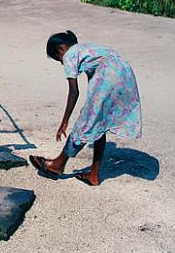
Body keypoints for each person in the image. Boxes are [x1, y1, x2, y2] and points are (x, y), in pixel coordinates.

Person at [29, 30, 142, 186]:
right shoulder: (89, 50)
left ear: (61, 49)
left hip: (109, 76)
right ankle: (93, 175)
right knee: (98, 125)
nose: (62, 63)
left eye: (59, 59)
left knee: (86, 122)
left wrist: (65, 120)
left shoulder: (69, 54)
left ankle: (57, 165)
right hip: (125, 74)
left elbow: (74, 91)